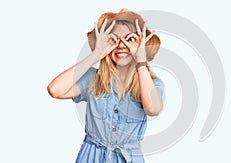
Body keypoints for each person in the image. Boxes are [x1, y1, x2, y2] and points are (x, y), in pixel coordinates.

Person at [47, 8, 164, 163]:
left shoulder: (151, 84)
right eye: (114, 40)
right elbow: (55, 90)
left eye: (130, 39)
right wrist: (96, 54)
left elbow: (153, 109)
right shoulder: (93, 79)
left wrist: (141, 61)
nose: (122, 45)